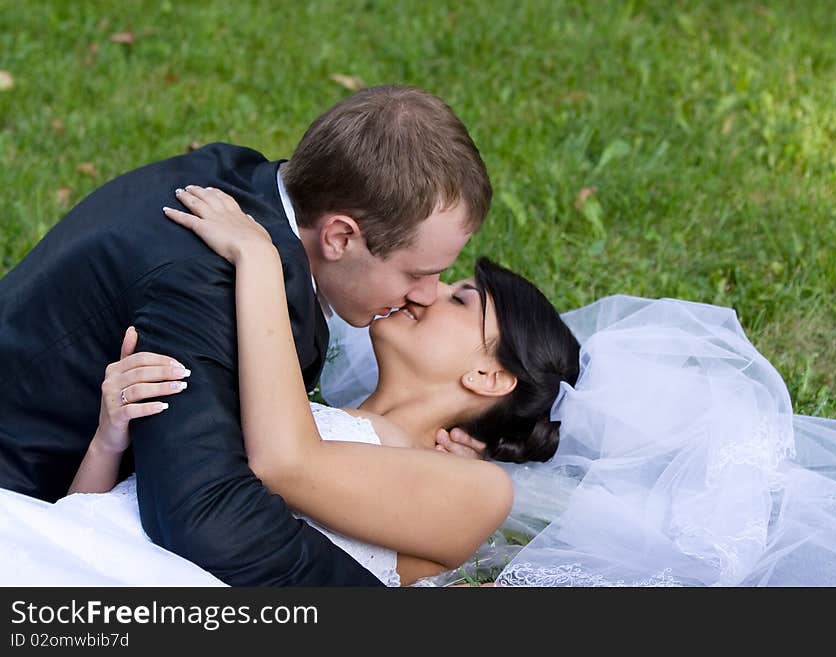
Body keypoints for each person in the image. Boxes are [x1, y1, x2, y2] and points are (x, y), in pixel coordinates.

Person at [0, 85, 492, 586]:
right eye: (417, 273)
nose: (427, 294)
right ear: (340, 236)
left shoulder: (244, 184)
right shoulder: (206, 280)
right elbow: (203, 517)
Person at [57, 185, 581, 586]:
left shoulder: (479, 491)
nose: (426, 291)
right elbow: (81, 519)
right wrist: (110, 438)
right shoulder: (288, 409)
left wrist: (258, 258)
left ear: (489, 376)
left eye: (461, 299)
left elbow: (285, 463)